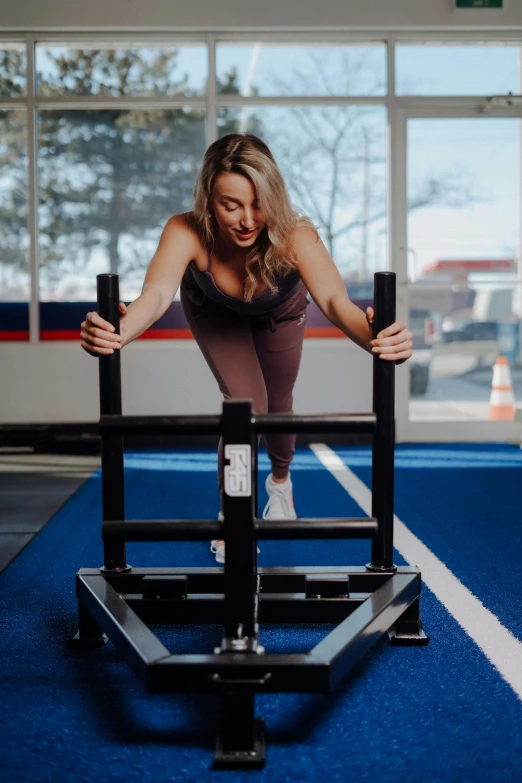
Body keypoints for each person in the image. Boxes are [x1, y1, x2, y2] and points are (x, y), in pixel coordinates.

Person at [80, 133, 412, 564]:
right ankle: (233, 511)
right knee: (245, 407)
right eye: (230, 205)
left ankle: (280, 483)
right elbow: (158, 295)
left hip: (281, 313)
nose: (246, 219)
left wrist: (379, 340)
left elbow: (334, 302)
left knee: (278, 405)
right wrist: (117, 332)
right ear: (208, 199)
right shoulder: (186, 230)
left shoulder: (296, 235)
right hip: (216, 314)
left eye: (257, 204)